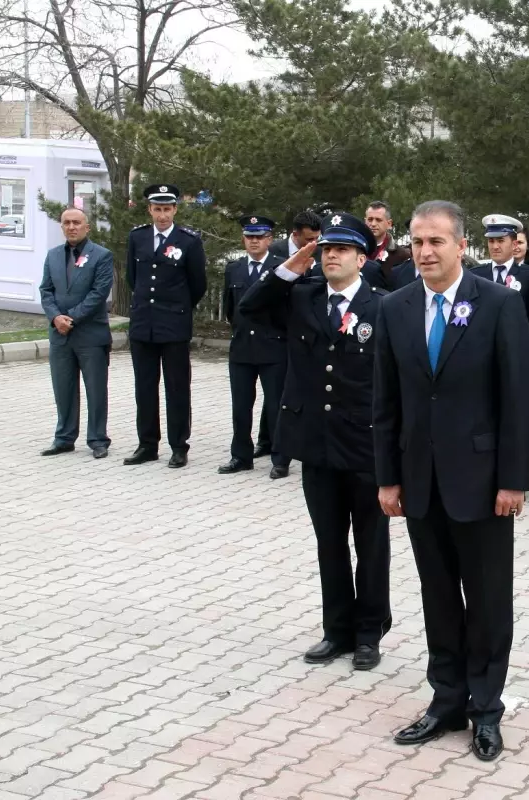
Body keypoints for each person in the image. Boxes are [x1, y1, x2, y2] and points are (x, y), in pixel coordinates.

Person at [374, 200, 529, 762]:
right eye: (417, 241)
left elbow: (518, 399)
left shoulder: (499, 304)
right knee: (438, 594)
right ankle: (446, 700)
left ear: (461, 245)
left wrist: (514, 480)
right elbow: (386, 401)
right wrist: (388, 477)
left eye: (437, 241)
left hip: (483, 480)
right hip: (420, 480)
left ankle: (486, 709)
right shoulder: (394, 308)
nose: (425, 252)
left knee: (488, 599)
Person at [241, 212, 392, 670]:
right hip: (316, 443)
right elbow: (250, 306)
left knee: (370, 544)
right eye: (326, 248)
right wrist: (291, 265)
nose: (331, 256)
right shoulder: (301, 295)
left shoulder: (383, 305)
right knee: (330, 542)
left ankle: (369, 633)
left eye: (342, 249)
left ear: (362, 259)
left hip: (364, 444)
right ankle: (336, 630)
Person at [123, 184, 207, 468]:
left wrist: (177, 309)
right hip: (143, 324)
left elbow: (198, 285)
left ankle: (178, 446)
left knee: (177, 387)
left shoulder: (189, 241)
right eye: (157, 209)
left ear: (175, 210)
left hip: (173, 325)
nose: (162, 215)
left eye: (167, 209)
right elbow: (133, 279)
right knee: (145, 388)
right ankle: (147, 444)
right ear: (149, 209)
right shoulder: (138, 238)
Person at [218, 215, 291, 479]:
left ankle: (280, 458)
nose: (254, 242)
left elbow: (288, 309)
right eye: (249, 237)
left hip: (273, 346)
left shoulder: (281, 267)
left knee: (275, 406)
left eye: (259, 237)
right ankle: (241, 455)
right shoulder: (234, 268)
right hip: (242, 348)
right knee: (241, 406)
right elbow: (230, 307)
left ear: (270, 239)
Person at [38, 207, 114, 459]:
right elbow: (46, 290)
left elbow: (99, 293)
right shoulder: (53, 256)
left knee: (96, 389)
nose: (72, 227)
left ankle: (97, 439)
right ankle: (64, 438)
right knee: (63, 388)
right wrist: (55, 317)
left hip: (90, 335)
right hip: (60, 335)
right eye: (67, 223)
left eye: (77, 223)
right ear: (61, 227)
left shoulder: (101, 256)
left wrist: (71, 318)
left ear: (87, 227)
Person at [473, 214, 529, 323]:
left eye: (500, 240)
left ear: (514, 244)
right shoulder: (475, 275)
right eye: (491, 241)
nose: (495, 246)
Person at [365, 200, 411, 269]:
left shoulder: (402, 255)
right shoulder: (356, 250)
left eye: (378, 220)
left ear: (389, 224)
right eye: (370, 219)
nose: (373, 224)